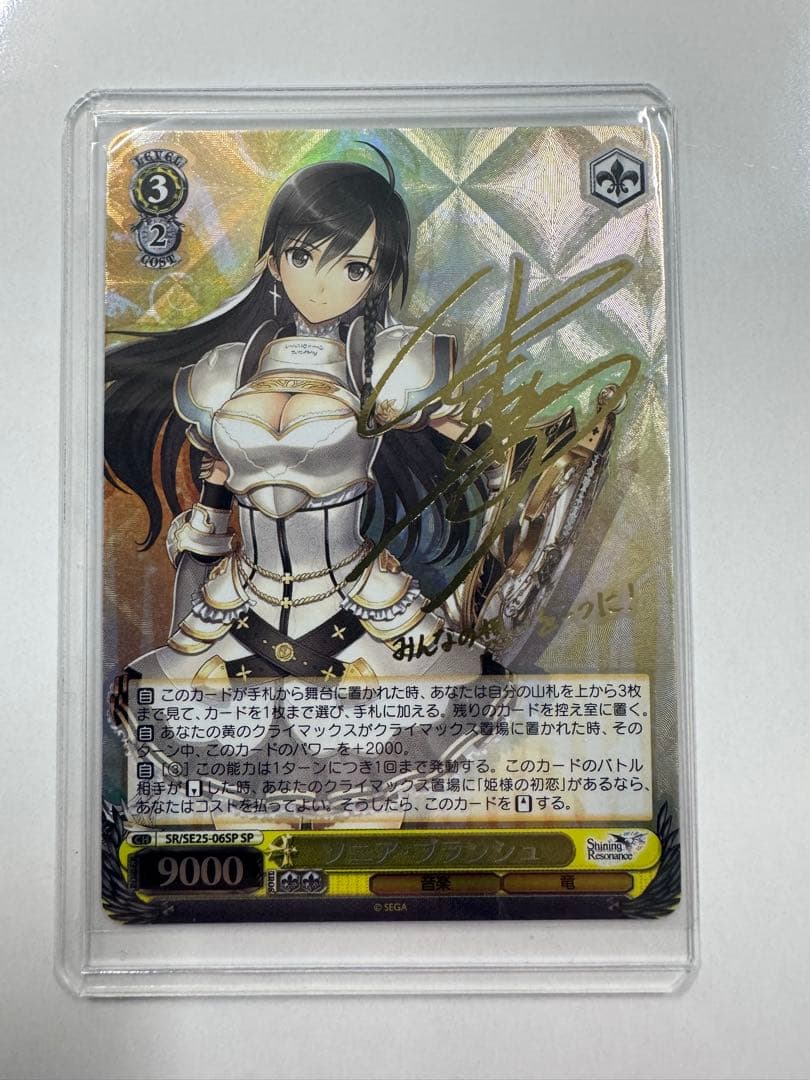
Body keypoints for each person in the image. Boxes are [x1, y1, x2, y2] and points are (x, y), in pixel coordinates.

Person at [106, 149, 513, 819]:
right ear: (273, 260)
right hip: (242, 594)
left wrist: (497, 466)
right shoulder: (226, 369)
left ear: (377, 275)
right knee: (220, 786)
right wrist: (206, 533)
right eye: (302, 256)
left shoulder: (391, 364)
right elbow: (215, 488)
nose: (323, 285)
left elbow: (487, 456)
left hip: (356, 594)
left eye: (353, 267)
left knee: (377, 786)